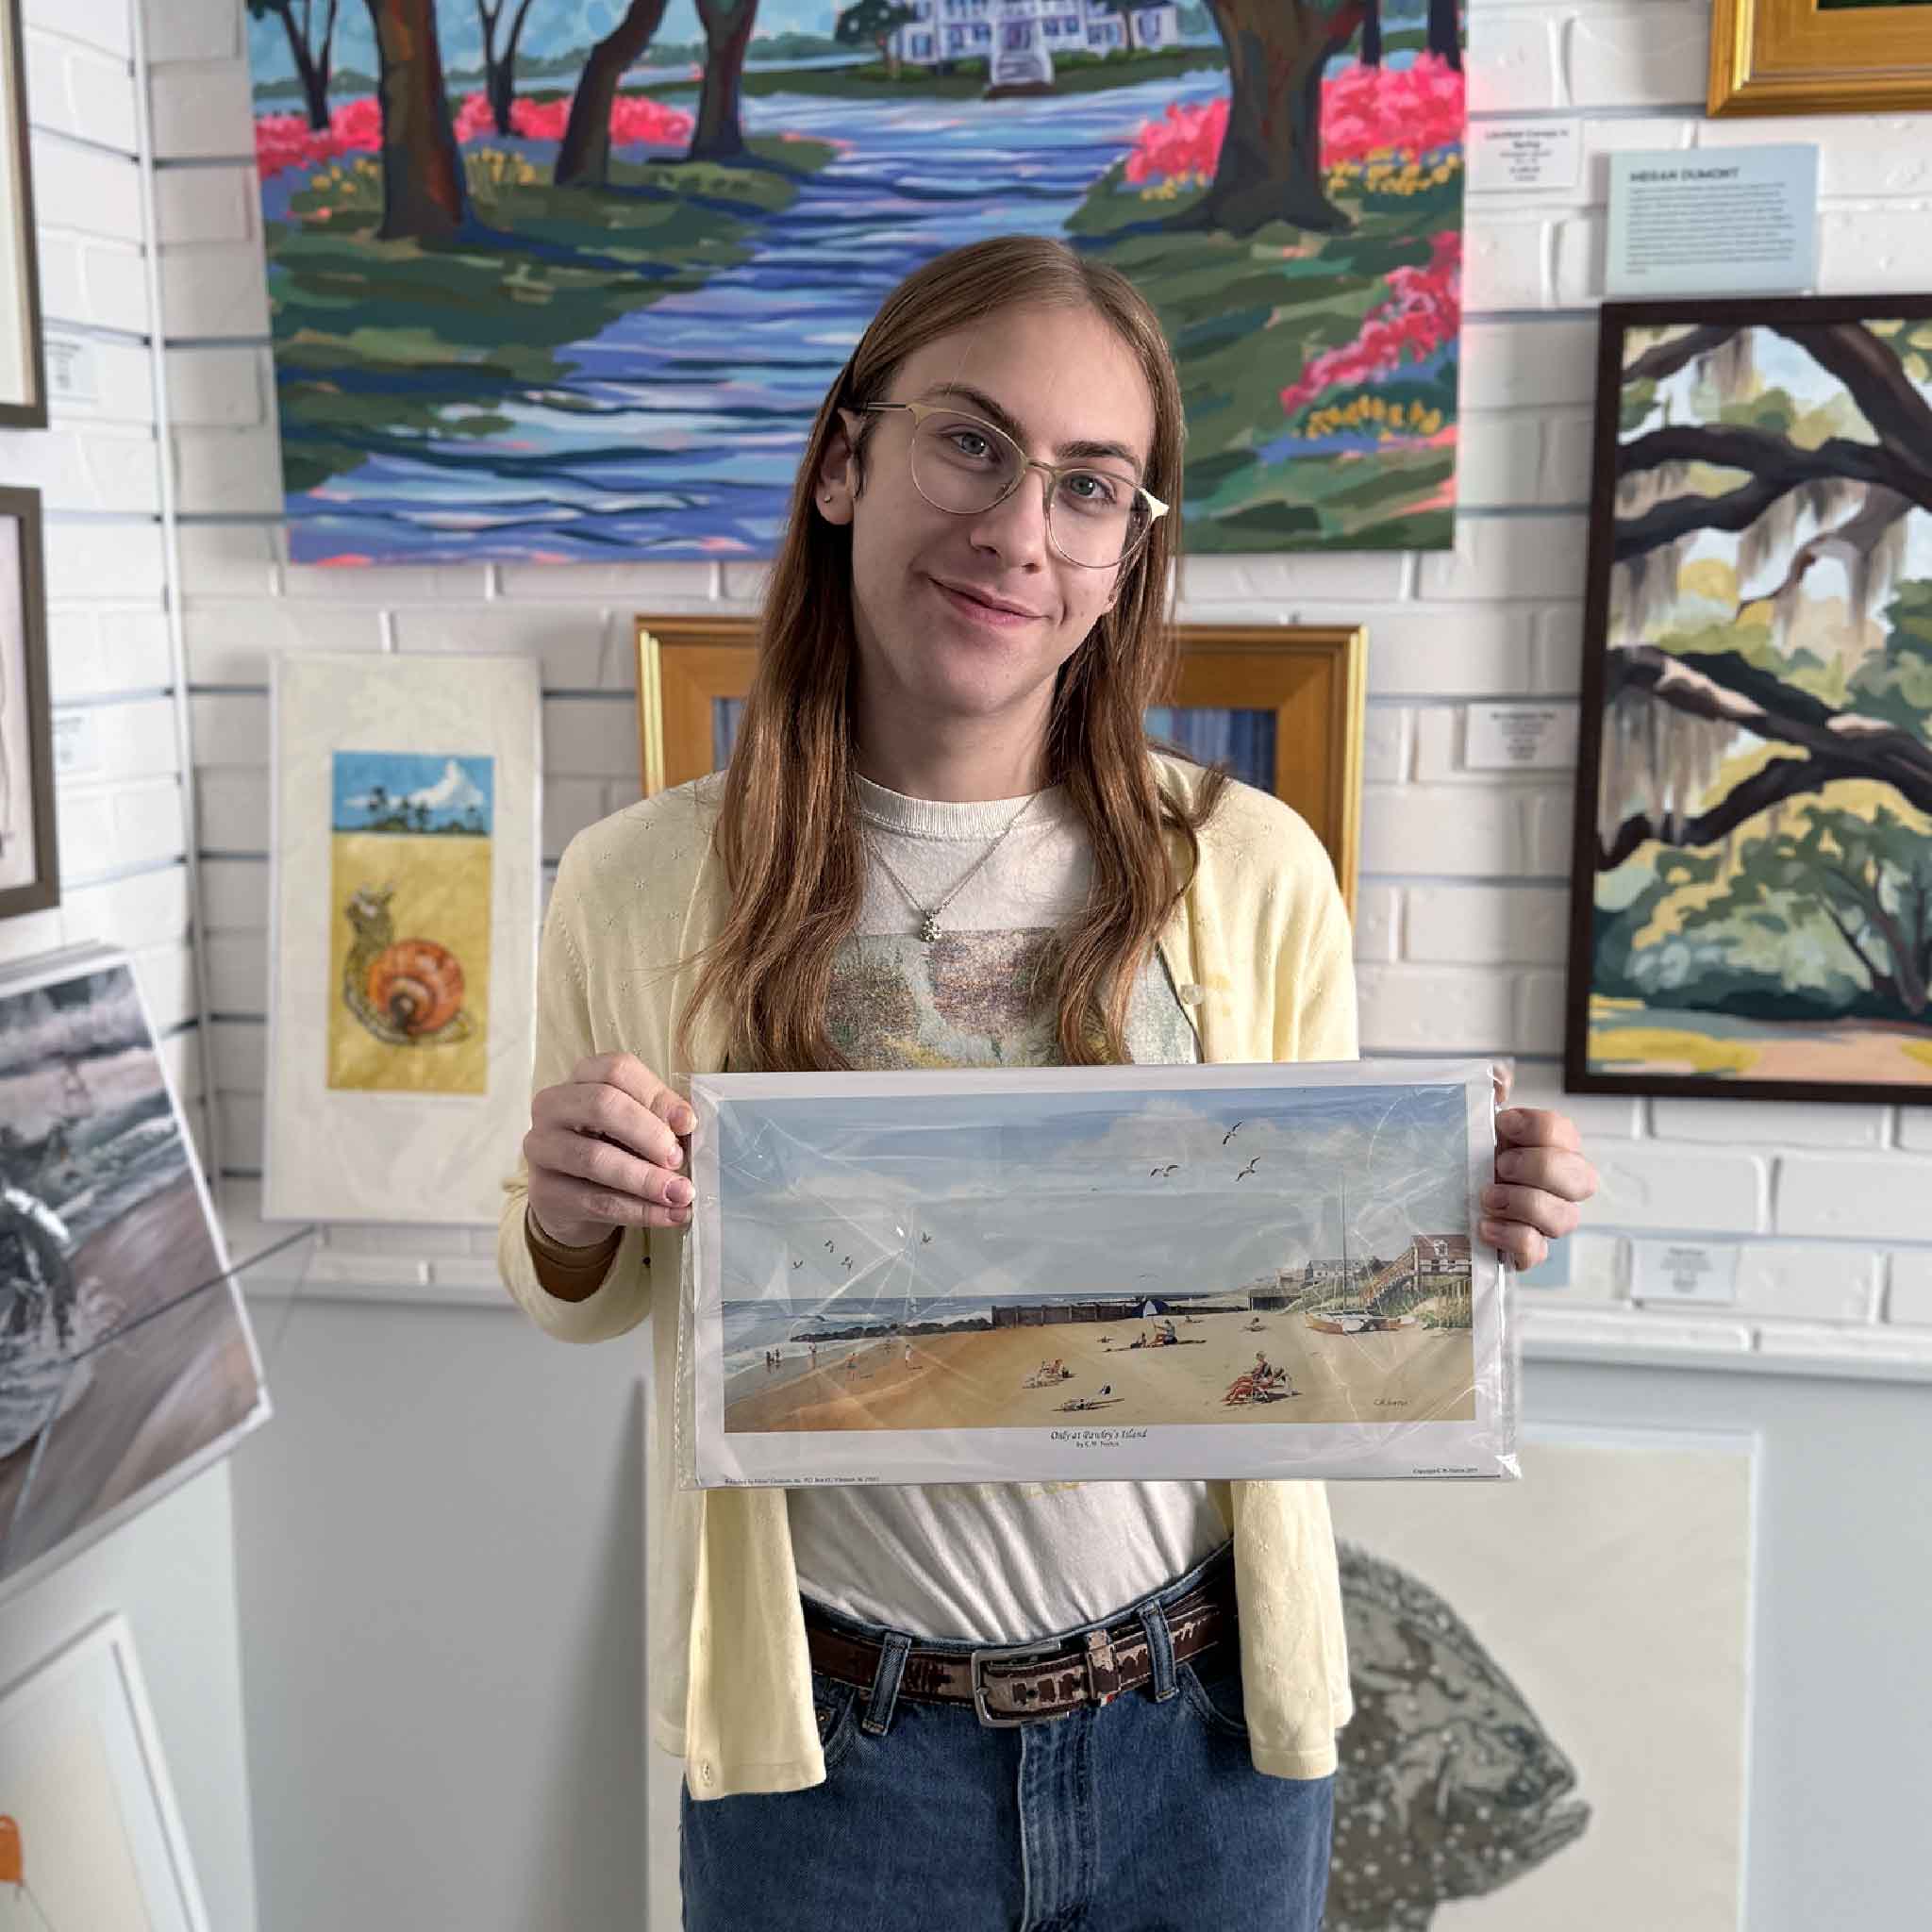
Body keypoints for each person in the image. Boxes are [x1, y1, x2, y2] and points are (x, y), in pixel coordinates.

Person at [498, 235, 1597, 1930]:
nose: (1021, 530)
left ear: (1128, 550)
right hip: (839, 1765)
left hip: (1202, 1744)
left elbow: (1304, 1307)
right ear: (847, 459)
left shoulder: (1246, 867)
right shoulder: (638, 883)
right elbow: (581, 1292)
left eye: (1093, 488)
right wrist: (572, 1209)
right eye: (973, 443)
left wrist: (1463, 1217)